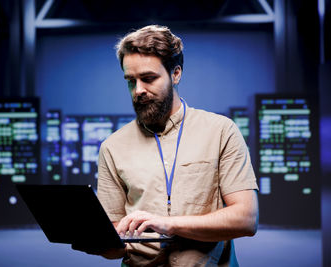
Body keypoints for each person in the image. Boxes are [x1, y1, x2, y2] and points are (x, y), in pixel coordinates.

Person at [85, 25, 258, 266]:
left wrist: (169, 224)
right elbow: (116, 241)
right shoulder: (112, 147)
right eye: (130, 81)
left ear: (176, 74)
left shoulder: (221, 131)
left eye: (148, 78)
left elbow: (246, 219)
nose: (139, 91)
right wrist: (99, 243)